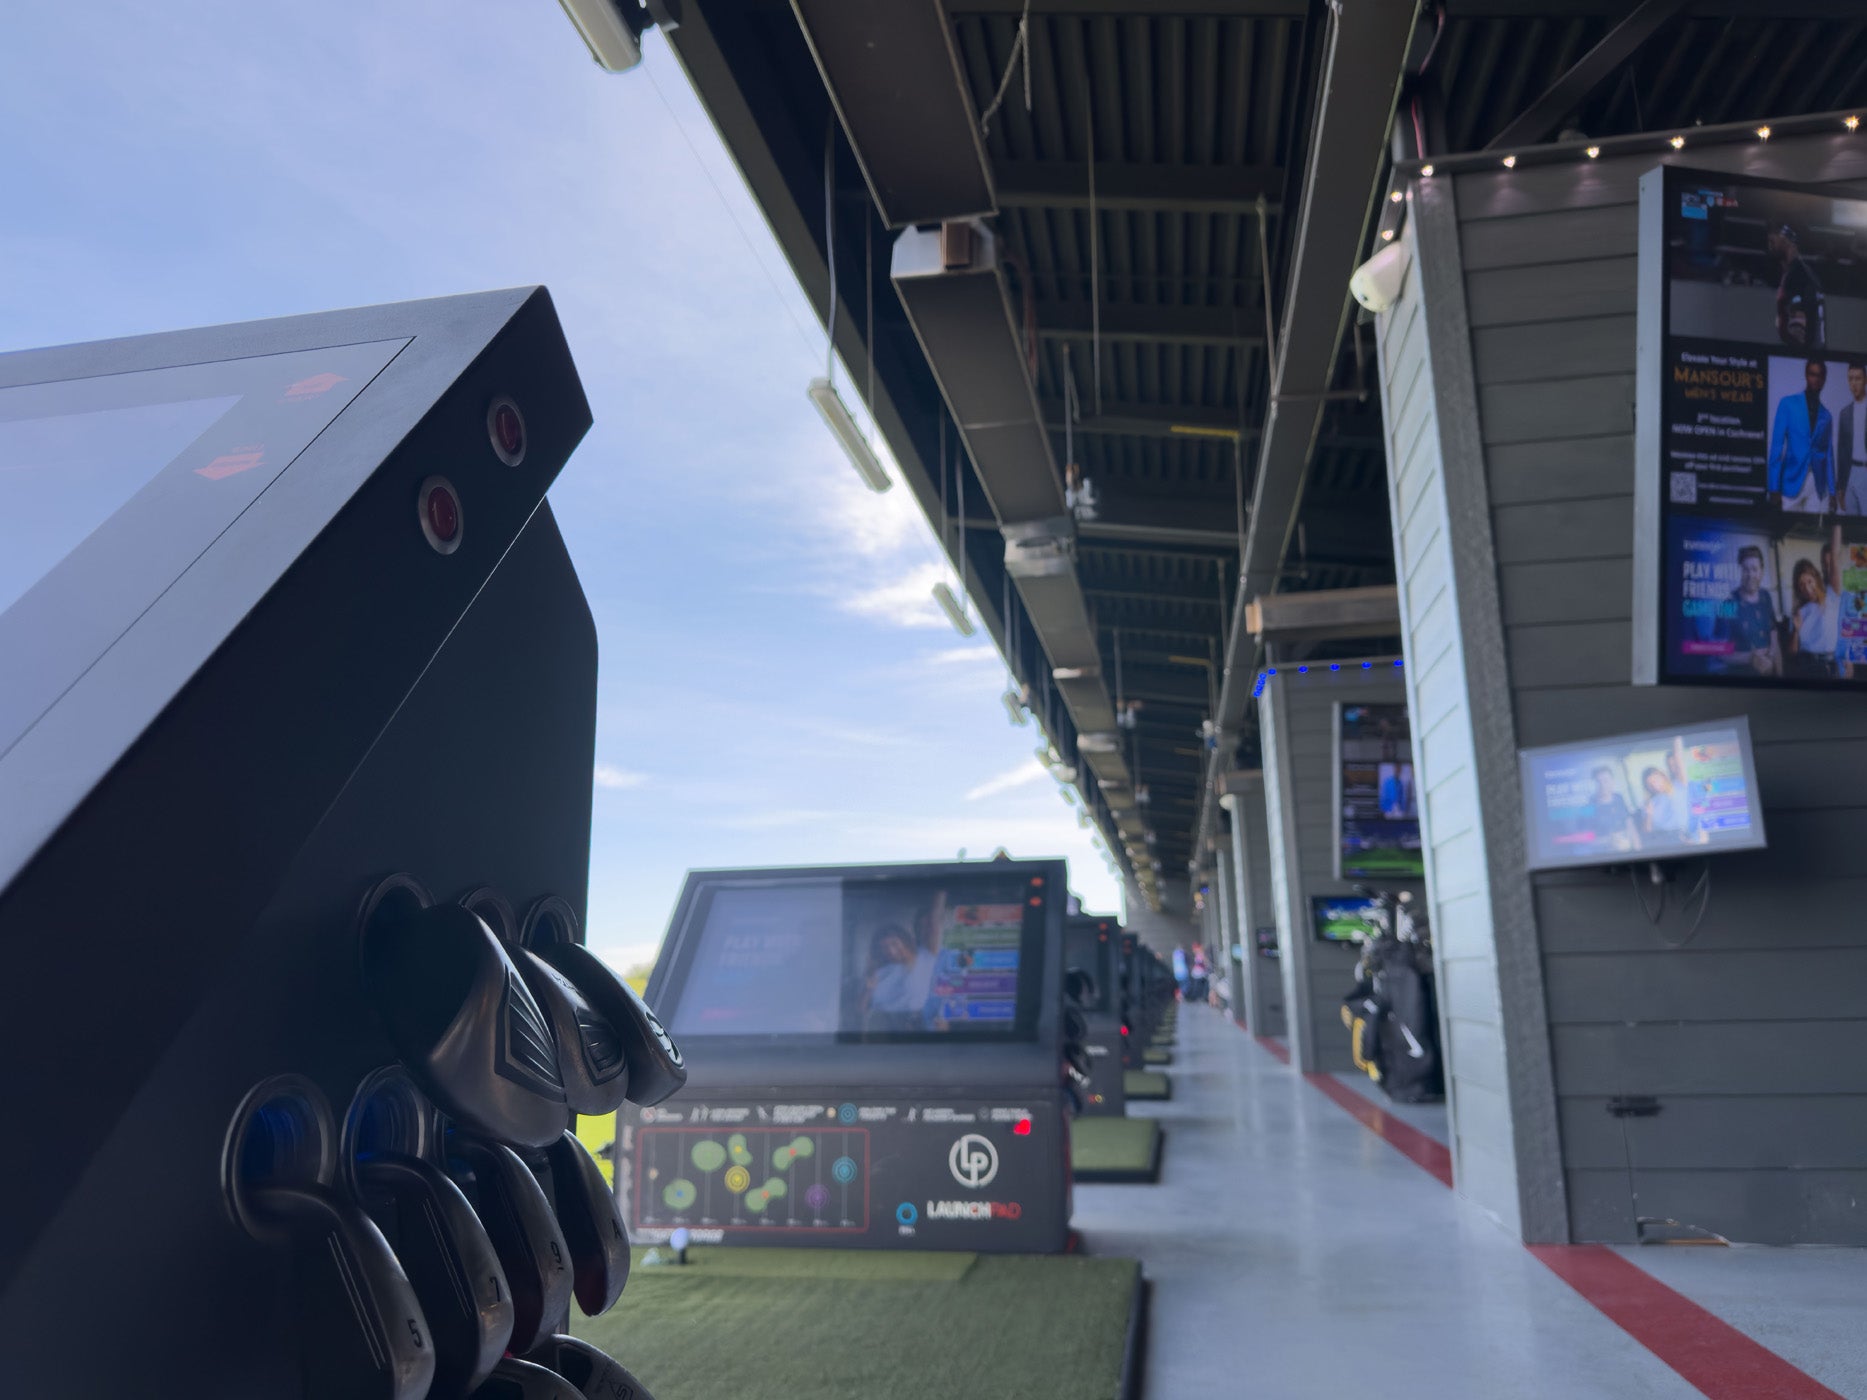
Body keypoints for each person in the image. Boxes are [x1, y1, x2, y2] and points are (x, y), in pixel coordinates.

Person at [864, 890, 946, 1028]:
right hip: (891, 1026)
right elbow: (862, 1009)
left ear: (904, 940)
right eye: (885, 948)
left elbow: (934, 923)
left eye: (894, 944)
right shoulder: (881, 971)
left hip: (924, 1022)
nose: (891, 951)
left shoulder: (926, 955)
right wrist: (868, 989)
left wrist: (941, 890)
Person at [1768, 358, 1836, 514]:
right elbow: (1776, 448)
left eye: (1819, 375)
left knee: (1813, 535)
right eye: (1812, 374)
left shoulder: (1826, 416)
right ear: (1806, 375)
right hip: (1790, 481)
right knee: (1785, 533)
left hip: (1817, 486)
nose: (1816, 379)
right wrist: (1773, 487)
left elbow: (1829, 456)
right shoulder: (1788, 405)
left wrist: (1832, 492)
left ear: (1824, 379)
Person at [1786, 524, 1843, 679]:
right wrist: (1796, 631)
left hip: (1830, 666)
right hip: (1806, 667)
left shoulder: (1832, 595)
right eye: (1801, 584)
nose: (1807, 587)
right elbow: (1791, 653)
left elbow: (1835, 555)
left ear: (1816, 579)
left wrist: (1836, 521)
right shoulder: (1799, 611)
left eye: (1809, 581)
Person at [1717, 543, 1781, 676]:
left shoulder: (1766, 596)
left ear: (1761, 571)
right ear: (1740, 570)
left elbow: (1773, 634)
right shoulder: (1727, 604)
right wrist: (1750, 658)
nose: (1750, 574)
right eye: (1746, 569)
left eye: (1754, 569)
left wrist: (1780, 673)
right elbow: (1719, 651)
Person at [1769, 223, 1825, 349]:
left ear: (1788, 241)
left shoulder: (1798, 276)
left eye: (1774, 241)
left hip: (1800, 355)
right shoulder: (1796, 273)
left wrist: (1793, 352)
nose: (1770, 246)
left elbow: (1798, 329)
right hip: (1804, 353)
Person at [1587, 765, 1640, 853]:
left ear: (1612, 782)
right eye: (1598, 782)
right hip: (1605, 856)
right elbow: (1586, 840)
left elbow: (1630, 825)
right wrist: (1609, 839)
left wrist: (1638, 850)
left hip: (1629, 852)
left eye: (1606, 781)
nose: (1602, 785)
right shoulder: (1588, 808)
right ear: (1593, 784)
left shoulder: (1619, 798)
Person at [1841, 363, 1867, 515]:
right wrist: (1840, 486)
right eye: (1851, 379)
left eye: (1858, 378)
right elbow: (1841, 450)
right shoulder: (1845, 413)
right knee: (1850, 525)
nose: (1854, 383)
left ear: (1865, 380)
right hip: (1850, 472)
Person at [1640, 767, 1690, 841]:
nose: (1654, 786)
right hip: (1665, 839)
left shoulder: (1678, 787)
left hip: (1687, 834)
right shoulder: (1649, 803)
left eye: (1655, 781)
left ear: (1662, 777)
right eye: (1649, 784)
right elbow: (1647, 830)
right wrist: (1649, 815)